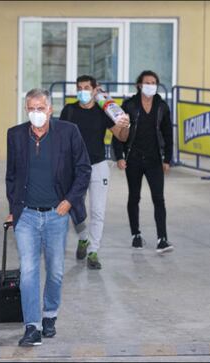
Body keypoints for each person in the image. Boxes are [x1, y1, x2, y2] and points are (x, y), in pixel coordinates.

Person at [6, 88, 91, 346]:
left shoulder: (68, 132)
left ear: (50, 109)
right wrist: (13, 206)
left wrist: (69, 201)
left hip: (57, 214)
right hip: (27, 216)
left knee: (55, 271)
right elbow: (12, 175)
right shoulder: (16, 135)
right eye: (31, 108)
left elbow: (83, 169)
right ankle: (32, 326)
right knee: (29, 271)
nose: (35, 114)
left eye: (40, 108)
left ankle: (50, 314)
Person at [60, 75, 130, 270]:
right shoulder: (70, 110)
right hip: (75, 167)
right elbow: (60, 136)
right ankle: (83, 238)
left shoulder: (102, 112)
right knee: (76, 208)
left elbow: (121, 136)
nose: (83, 91)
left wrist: (126, 125)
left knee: (98, 211)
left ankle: (93, 251)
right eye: (79, 88)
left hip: (99, 166)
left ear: (94, 90)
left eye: (86, 87)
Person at [111, 70, 174, 254]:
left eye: (154, 82)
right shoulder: (130, 105)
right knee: (134, 196)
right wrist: (120, 157)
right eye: (147, 82)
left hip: (154, 159)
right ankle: (135, 235)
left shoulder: (161, 106)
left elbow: (168, 133)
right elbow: (118, 134)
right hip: (134, 158)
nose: (151, 85)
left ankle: (162, 238)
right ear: (139, 85)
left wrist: (167, 158)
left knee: (158, 199)